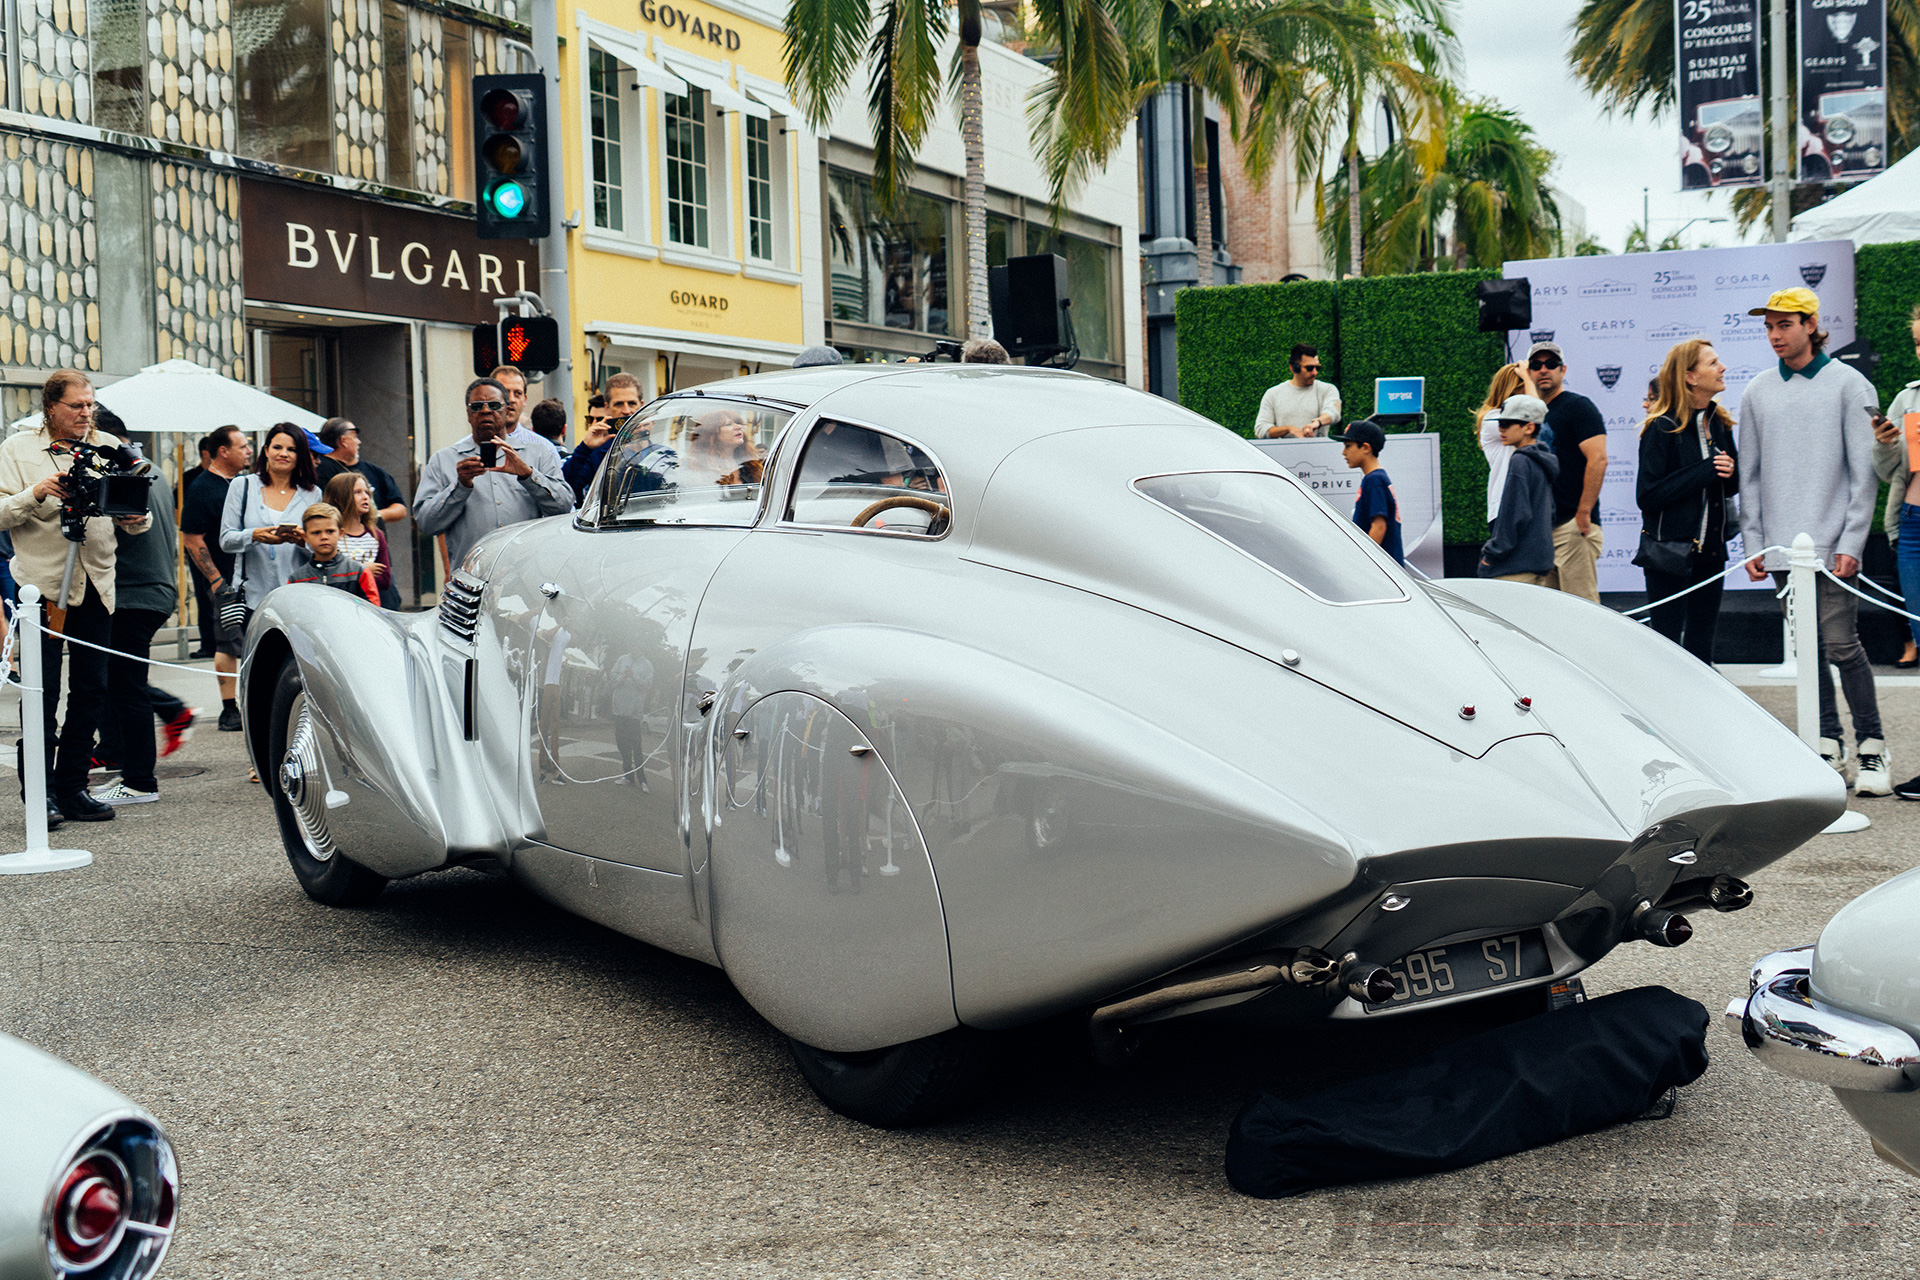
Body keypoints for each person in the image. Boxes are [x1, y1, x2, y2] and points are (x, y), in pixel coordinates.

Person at [1737, 286, 1889, 794]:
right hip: (1781, 548)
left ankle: (1872, 747)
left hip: (1832, 545)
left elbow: (1863, 472)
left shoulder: (1850, 384)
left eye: (1784, 325)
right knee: (1808, 651)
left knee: (1843, 645)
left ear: (1810, 325)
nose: (1775, 335)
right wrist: (1754, 542)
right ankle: (1828, 743)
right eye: (1768, 327)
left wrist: (1852, 540)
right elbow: (1750, 476)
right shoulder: (1757, 389)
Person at [0, 370, 153, 824]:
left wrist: (131, 516)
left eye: (91, 405)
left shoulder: (109, 447)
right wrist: (37, 492)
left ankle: (72, 789)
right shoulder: (18, 450)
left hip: (97, 586)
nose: (87, 414)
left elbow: (137, 516)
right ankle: (39, 794)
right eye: (77, 406)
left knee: (91, 692)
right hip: (42, 590)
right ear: (51, 407)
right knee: (40, 694)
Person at [1635, 339, 1739, 664]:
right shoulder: (1661, 427)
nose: (1722, 368)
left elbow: (1730, 487)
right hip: (1669, 555)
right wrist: (1706, 471)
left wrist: (1729, 472)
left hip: (1710, 554)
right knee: (1665, 653)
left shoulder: (1719, 423)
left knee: (1701, 650)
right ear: (1690, 376)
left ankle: (1700, 715)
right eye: (1713, 363)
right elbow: (1647, 496)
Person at [89, 472, 182, 806]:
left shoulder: (115, 475)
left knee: (127, 688)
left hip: (133, 593)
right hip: (152, 589)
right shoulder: (152, 471)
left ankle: (139, 781)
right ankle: (130, 771)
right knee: (123, 684)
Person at [414, 377, 572, 571]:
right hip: (472, 579)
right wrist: (460, 487)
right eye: (477, 406)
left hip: (528, 576)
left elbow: (564, 507)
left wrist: (528, 475)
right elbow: (426, 523)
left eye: (494, 405)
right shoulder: (444, 460)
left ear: (507, 411)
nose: (486, 410)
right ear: (468, 414)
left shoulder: (538, 453)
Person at [181, 425, 252, 730]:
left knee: (251, 641)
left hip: (251, 577)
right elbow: (192, 539)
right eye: (243, 446)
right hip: (225, 581)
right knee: (227, 644)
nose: (248, 451)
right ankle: (229, 708)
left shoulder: (244, 485)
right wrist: (216, 580)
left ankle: (252, 702)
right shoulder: (202, 487)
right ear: (224, 451)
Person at [1527, 340, 1608, 603]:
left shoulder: (1578, 406)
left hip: (1572, 526)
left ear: (1563, 370)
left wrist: (1583, 513)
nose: (1543, 370)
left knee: (1583, 610)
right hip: (1541, 529)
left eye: (1551, 364)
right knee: (1549, 614)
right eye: (1536, 365)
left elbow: (1598, 459)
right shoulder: (1527, 413)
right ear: (1528, 372)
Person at [218, 422, 324, 619]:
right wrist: (255, 535)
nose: (283, 453)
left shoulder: (312, 494)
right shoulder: (242, 486)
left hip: (299, 599)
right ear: (266, 450)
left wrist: (303, 541)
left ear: (300, 455)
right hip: (251, 598)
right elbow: (226, 540)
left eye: (291, 449)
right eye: (277, 447)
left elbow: (321, 547)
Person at [1872, 306, 1920, 672]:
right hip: (1912, 523)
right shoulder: (1907, 399)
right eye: (1918, 343)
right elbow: (1886, 472)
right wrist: (1884, 442)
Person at [1477, 395, 1558, 584]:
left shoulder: (1520, 461)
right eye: (1500, 423)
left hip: (1515, 565)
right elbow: (1551, 512)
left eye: (1507, 423)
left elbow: (1515, 514)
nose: (1501, 429)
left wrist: (1491, 554)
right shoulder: (1542, 459)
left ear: (1529, 428)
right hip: (1540, 561)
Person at [563, 373, 644, 502]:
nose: (627, 410)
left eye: (632, 403)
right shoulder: (598, 452)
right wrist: (585, 447)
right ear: (607, 408)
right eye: (618, 404)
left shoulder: (658, 446)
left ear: (641, 405)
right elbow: (568, 486)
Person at [323, 472, 398, 608]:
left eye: (367, 492)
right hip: (336, 607)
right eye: (357, 492)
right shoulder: (329, 534)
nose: (365, 497)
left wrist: (346, 574)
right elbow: (327, 577)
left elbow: (384, 580)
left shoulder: (375, 535)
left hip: (368, 608)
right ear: (338, 499)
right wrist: (363, 569)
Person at [314, 418, 407, 525]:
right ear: (343, 441)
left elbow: (400, 509)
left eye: (366, 492)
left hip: (374, 538)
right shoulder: (319, 469)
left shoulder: (374, 471)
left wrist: (374, 515)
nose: (359, 442)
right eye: (354, 437)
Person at [1336, 420, 1402, 563]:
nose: (1344, 452)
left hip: (1383, 570)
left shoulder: (1374, 480)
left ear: (1366, 448)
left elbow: (1379, 526)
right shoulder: (1376, 478)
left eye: (1348, 446)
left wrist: (1365, 562)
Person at [288, 504, 380, 603]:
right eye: (316, 532)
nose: (324, 537)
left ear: (340, 533)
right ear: (305, 537)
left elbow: (373, 611)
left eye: (330, 531)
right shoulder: (297, 580)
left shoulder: (358, 572)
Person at [1475, 363, 1531, 524]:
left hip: (1530, 505)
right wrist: (1528, 378)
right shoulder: (1492, 419)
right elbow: (1536, 416)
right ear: (1511, 390)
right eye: (1524, 387)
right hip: (1505, 508)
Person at [1255, 344, 1341, 439]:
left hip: (1318, 450)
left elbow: (1334, 412)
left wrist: (1317, 423)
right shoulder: (1273, 394)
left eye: (1317, 368)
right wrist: (1288, 429)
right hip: (1282, 452)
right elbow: (1261, 429)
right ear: (1293, 368)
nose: (1315, 372)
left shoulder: (1328, 389)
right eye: (1309, 368)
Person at [683, 409, 764, 486]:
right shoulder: (696, 470)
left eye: (737, 423)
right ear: (712, 434)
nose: (738, 426)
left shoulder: (751, 466)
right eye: (728, 424)